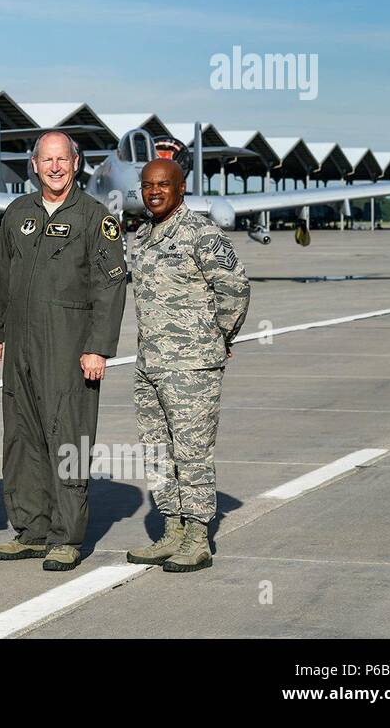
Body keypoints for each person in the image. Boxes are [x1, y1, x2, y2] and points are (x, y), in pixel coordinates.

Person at [0, 131, 128, 571]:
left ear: (76, 162)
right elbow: (2, 278)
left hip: (69, 347)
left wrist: (98, 348)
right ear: (34, 164)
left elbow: (110, 285)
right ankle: (31, 530)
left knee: (68, 436)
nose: (55, 167)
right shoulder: (17, 213)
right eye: (47, 160)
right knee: (22, 436)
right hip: (21, 346)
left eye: (62, 159)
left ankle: (66, 536)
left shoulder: (95, 217)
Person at [126, 158, 250, 572]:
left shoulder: (201, 233)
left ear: (182, 189)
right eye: (147, 185)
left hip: (192, 366)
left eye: (163, 184)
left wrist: (218, 337)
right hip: (149, 362)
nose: (154, 191)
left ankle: (198, 537)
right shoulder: (141, 236)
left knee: (192, 452)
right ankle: (172, 529)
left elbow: (234, 288)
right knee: (158, 450)